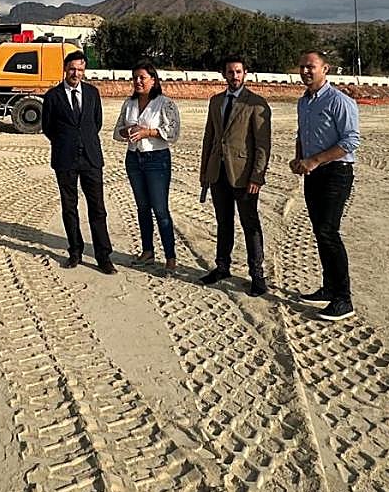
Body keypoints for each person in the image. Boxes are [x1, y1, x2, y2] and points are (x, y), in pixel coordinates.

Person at [290, 50, 361, 321]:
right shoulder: (304, 102)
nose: (306, 71)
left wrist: (316, 160)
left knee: (329, 232)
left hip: (336, 173)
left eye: (311, 66)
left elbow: (351, 141)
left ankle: (343, 299)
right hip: (314, 174)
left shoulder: (339, 101)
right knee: (320, 232)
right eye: (302, 67)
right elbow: (302, 134)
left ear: (325, 69)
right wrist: (300, 159)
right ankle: (329, 287)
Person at [199, 57, 272, 295]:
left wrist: (257, 177)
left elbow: (262, 145)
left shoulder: (256, 104)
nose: (234, 76)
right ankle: (222, 267)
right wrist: (204, 173)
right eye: (230, 72)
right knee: (223, 223)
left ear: (246, 73)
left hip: (243, 176)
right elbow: (209, 139)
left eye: (238, 72)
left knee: (250, 225)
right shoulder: (216, 101)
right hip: (218, 173)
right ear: (224, 74)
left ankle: (257, 275)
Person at [41, 50, 115, 274]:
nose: (76, 73)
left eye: (80, 70)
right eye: (72, 69)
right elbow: (48, 128)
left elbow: (96, 123)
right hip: (65, 159)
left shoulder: (93, 93)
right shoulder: (53, 96)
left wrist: (83, 141)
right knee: (69, 207)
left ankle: (103, 256)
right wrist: (68, 142)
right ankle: (75, 251)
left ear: (84, 71)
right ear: (65, 69)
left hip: (91, 158)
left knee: (98, 209)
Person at [113, 61, 181, 271]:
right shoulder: (129, 103)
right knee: (142, 208)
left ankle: (170, 258)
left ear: (154, 80)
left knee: (160, 210)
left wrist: (147, 132)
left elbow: (173, 132)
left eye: (142, 77)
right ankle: (148, 251)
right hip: (134, 158)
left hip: (156, 159)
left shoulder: (164, 103)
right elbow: (117, 132)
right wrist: (129, 131)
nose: (138, 81)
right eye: (135, 78)